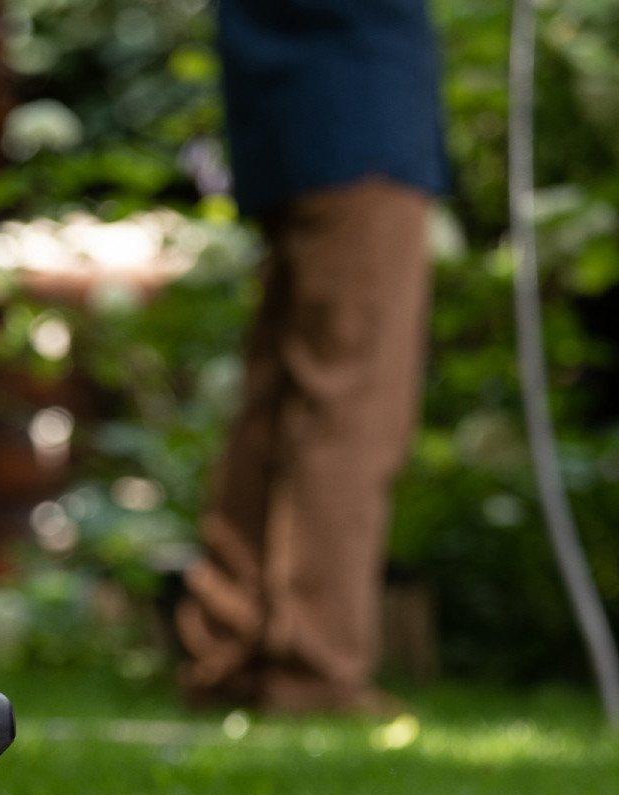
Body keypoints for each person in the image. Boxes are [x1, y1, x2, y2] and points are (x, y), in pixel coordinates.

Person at [175, 0, 449, 714]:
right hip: (365, 116)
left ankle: (232, 651)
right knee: (355, 406)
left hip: (290, 118)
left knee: (278, 396)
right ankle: (315, 670)